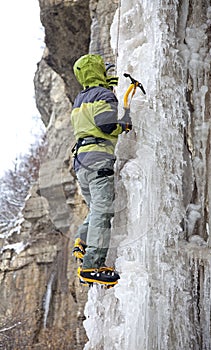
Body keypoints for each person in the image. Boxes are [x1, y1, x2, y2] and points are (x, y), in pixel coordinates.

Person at [71, 54, 131, 285]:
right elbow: (107, 124)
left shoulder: (80, 98)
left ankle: (82, 241)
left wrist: (109, 90)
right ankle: (92, 266)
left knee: (96, 207)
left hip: (81, 161)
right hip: (98, 158)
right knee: (103, 210)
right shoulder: (103, 94)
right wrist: (124, 120)